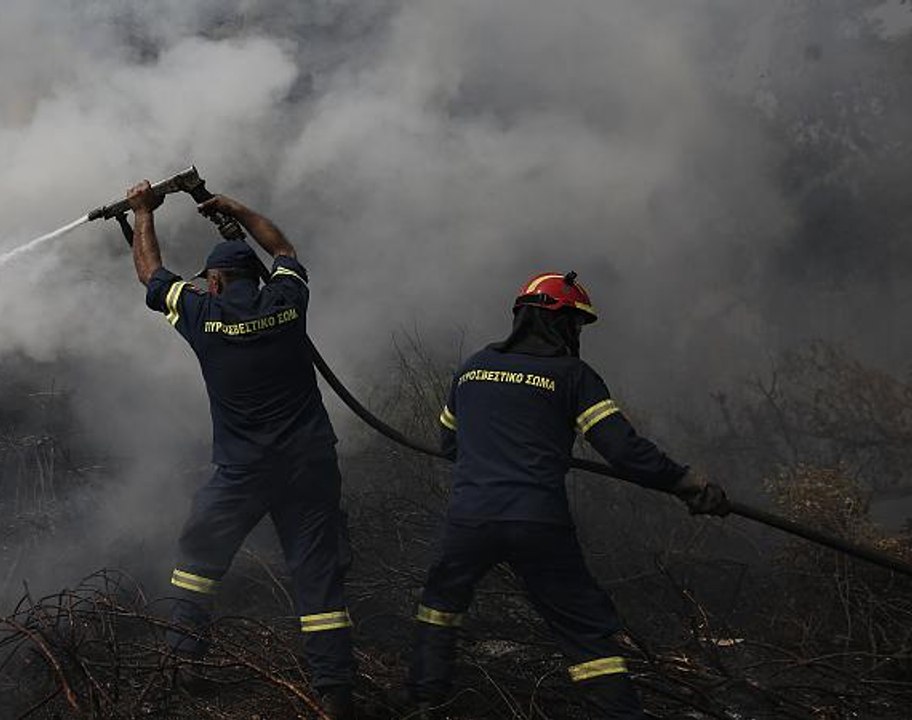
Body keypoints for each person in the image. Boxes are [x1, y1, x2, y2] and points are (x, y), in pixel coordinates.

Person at [407, 271, 729, 718]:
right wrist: (689, 484)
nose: (577, 334)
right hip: (538, 522)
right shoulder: (572, 375)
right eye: (574, 324)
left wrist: (496, 449)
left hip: (471, 518)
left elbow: (449, 444)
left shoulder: (472, 369)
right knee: (582, 630)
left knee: (440, 604)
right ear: (555, 321)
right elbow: (623, 450)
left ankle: (424, 701)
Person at [123, 181, 355, 718]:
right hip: (310, 464)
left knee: (198, 560)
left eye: (208, 278)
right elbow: (284, 252)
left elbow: (150, 275)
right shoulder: (286, 301)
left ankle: (181, 662)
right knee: (318, 578)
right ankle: (337, 693)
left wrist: (142, 213)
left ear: (217, 280)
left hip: (244, 472)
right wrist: (238, 209)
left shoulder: (204, 316)